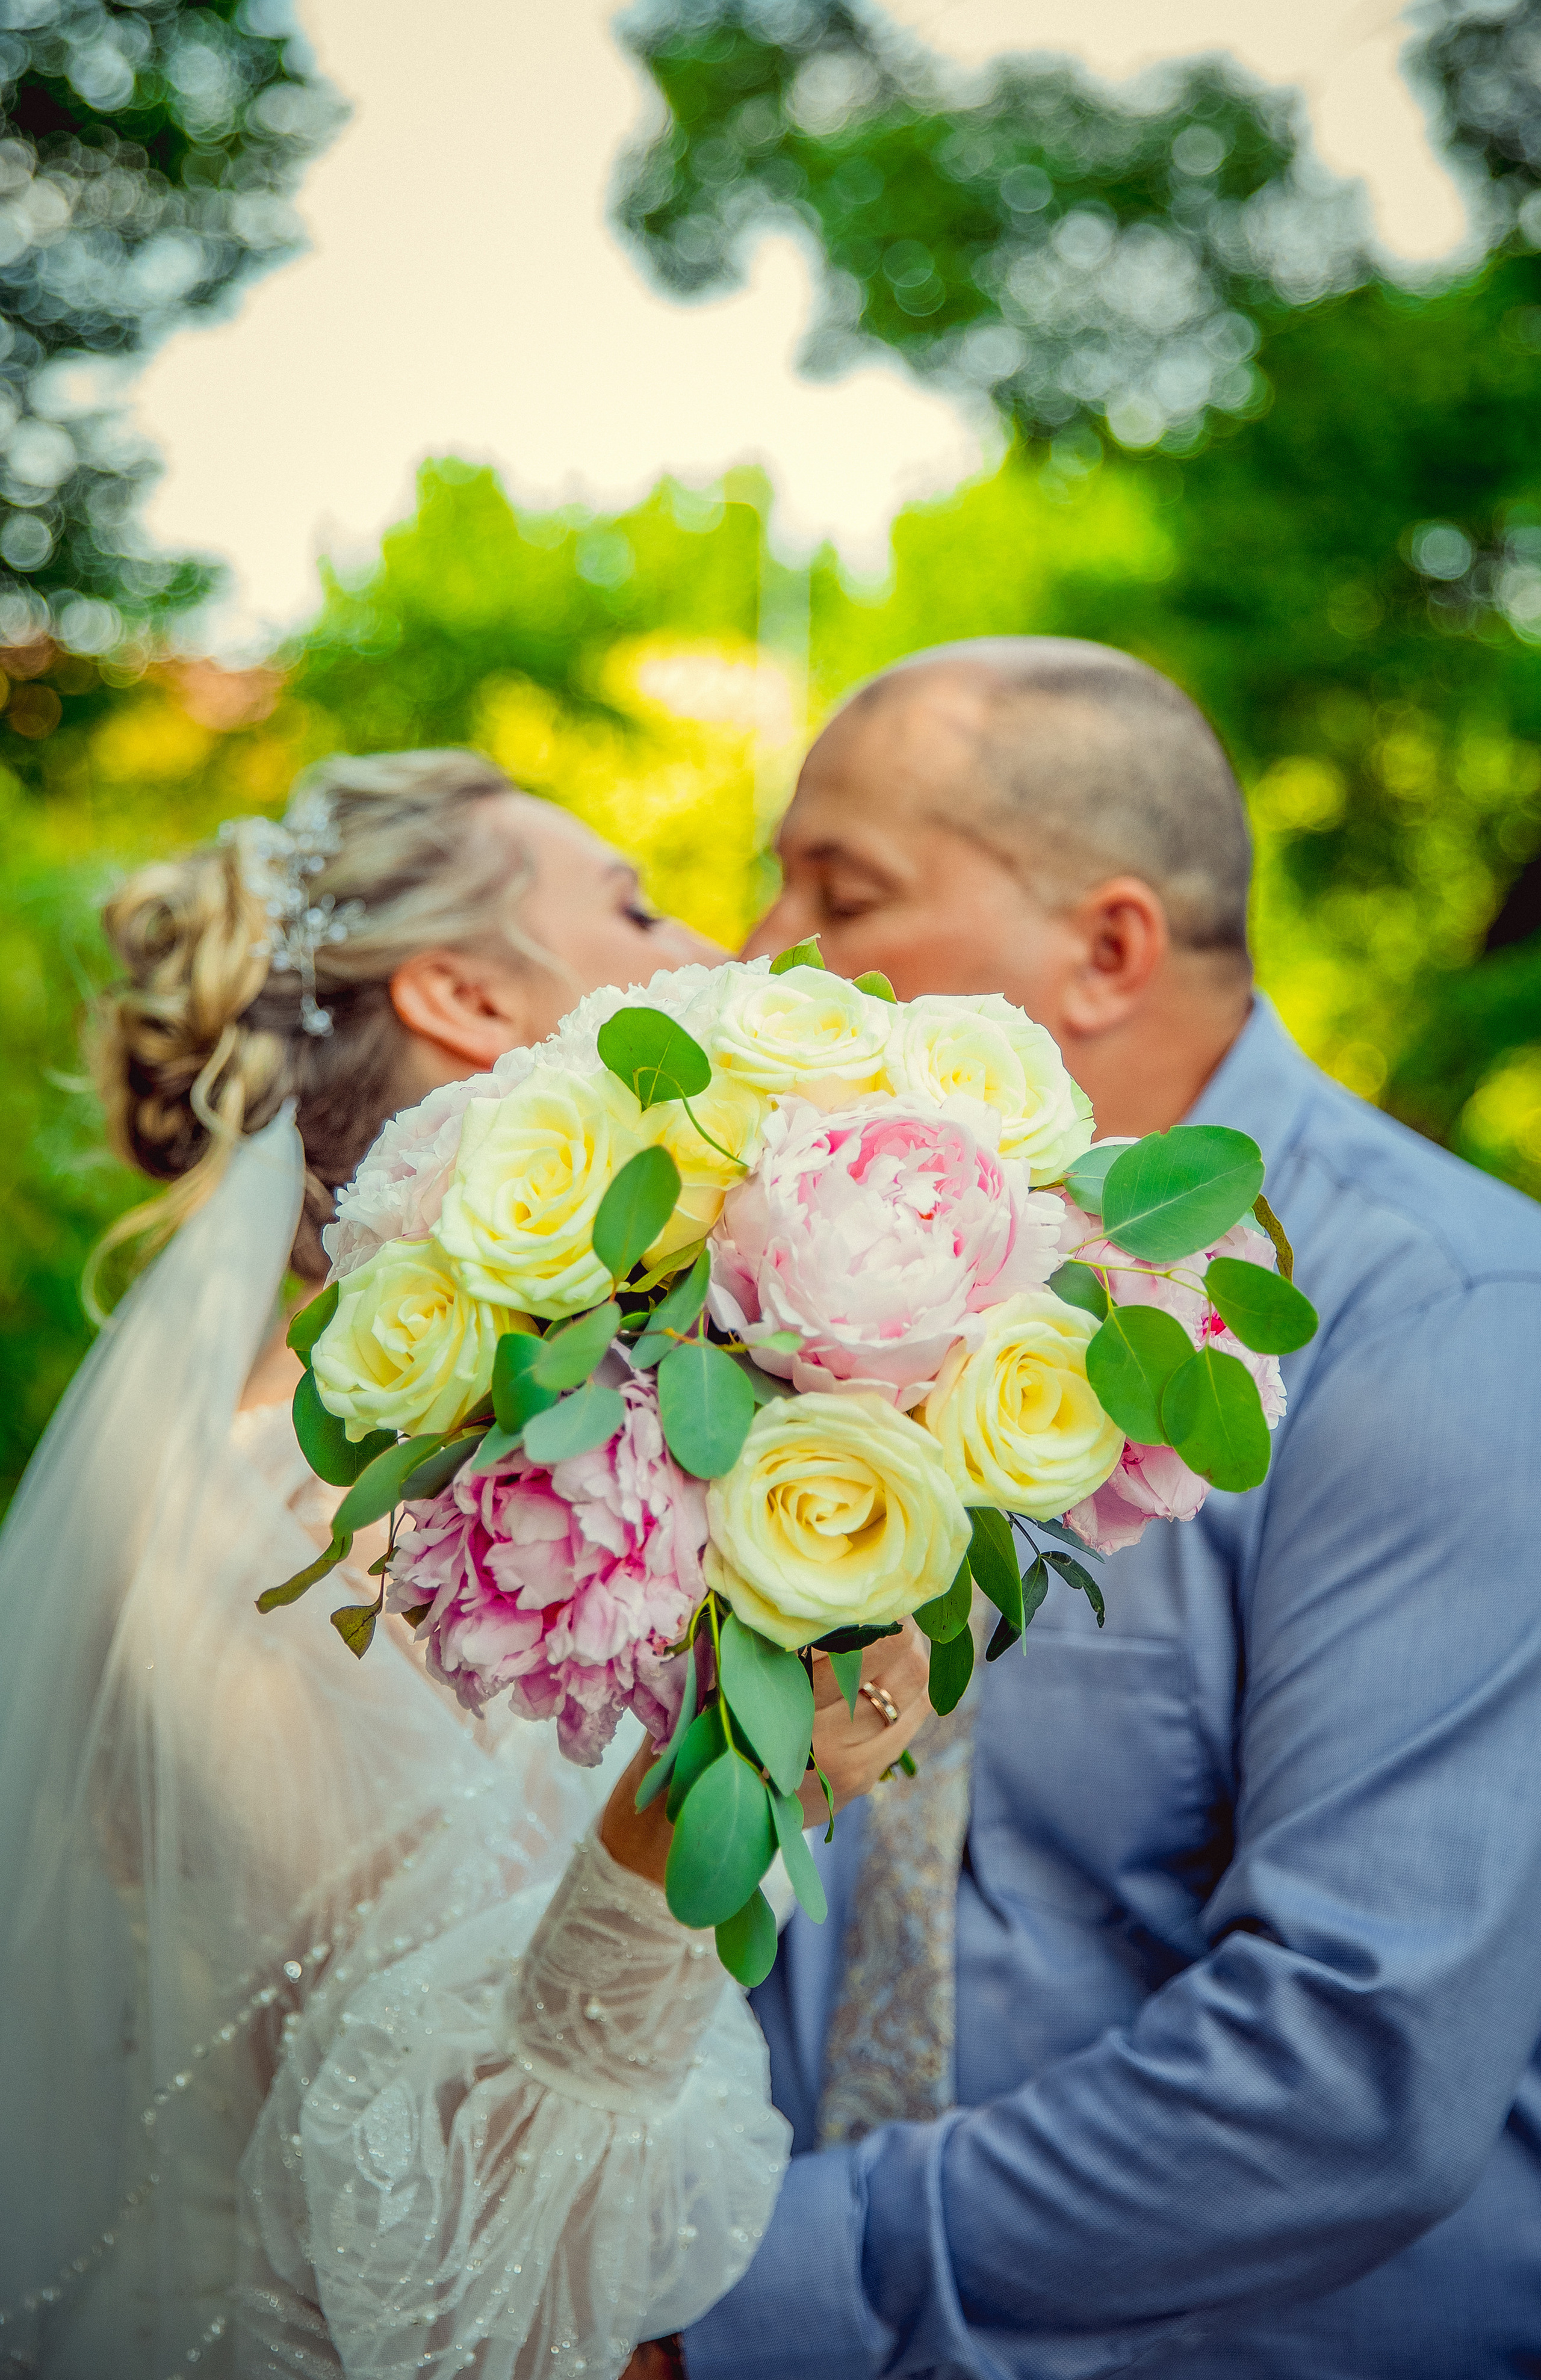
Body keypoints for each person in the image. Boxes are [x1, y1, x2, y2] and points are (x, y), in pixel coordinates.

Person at [0, 750, 929, 2380]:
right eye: (636, 902)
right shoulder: (305, 1522)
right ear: (465, 995)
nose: (714, 942)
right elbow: (464, 2269)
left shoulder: (423, 1451)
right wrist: (693, 1801)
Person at [676, 637, 1541, 2377]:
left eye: (840, 894)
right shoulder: (838, 1284)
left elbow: (1347, 2064)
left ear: (1107, 947)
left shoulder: (1449, 1321)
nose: (763, 952)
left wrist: (750, 2306)